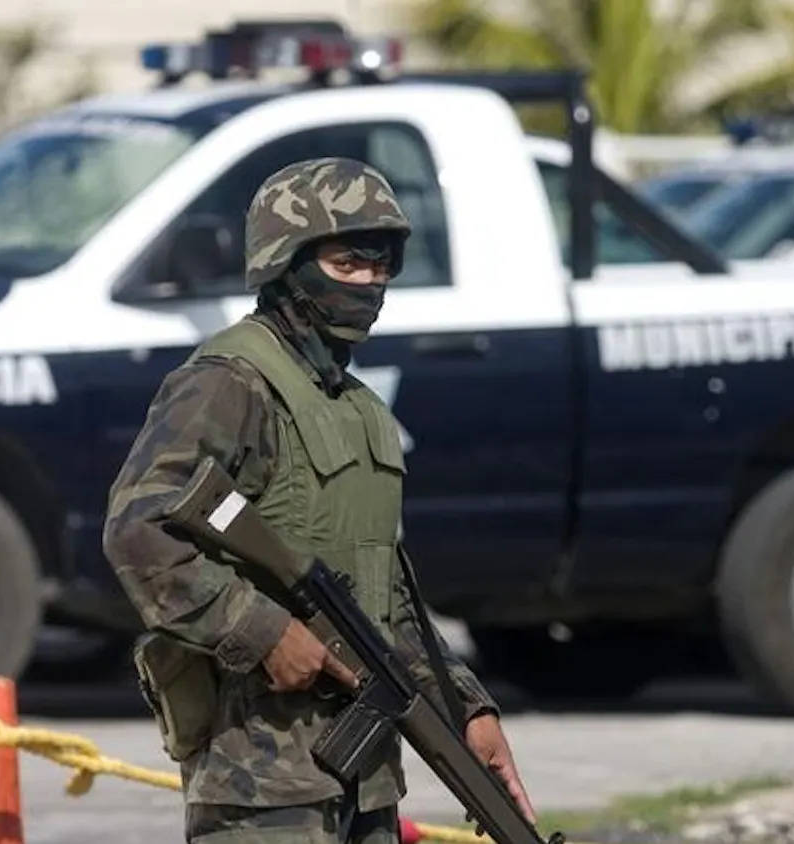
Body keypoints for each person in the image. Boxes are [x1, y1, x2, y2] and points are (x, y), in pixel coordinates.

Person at [103, 156, 537, 844]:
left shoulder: (361, 409)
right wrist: (263, 631)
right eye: (347, 261)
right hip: (262, 781)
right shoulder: (229, 382)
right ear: (286, 261)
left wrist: (465, 708)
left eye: (383, 261)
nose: (369, 281)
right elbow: (139, 529)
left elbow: (386, 596)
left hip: (367, 780)